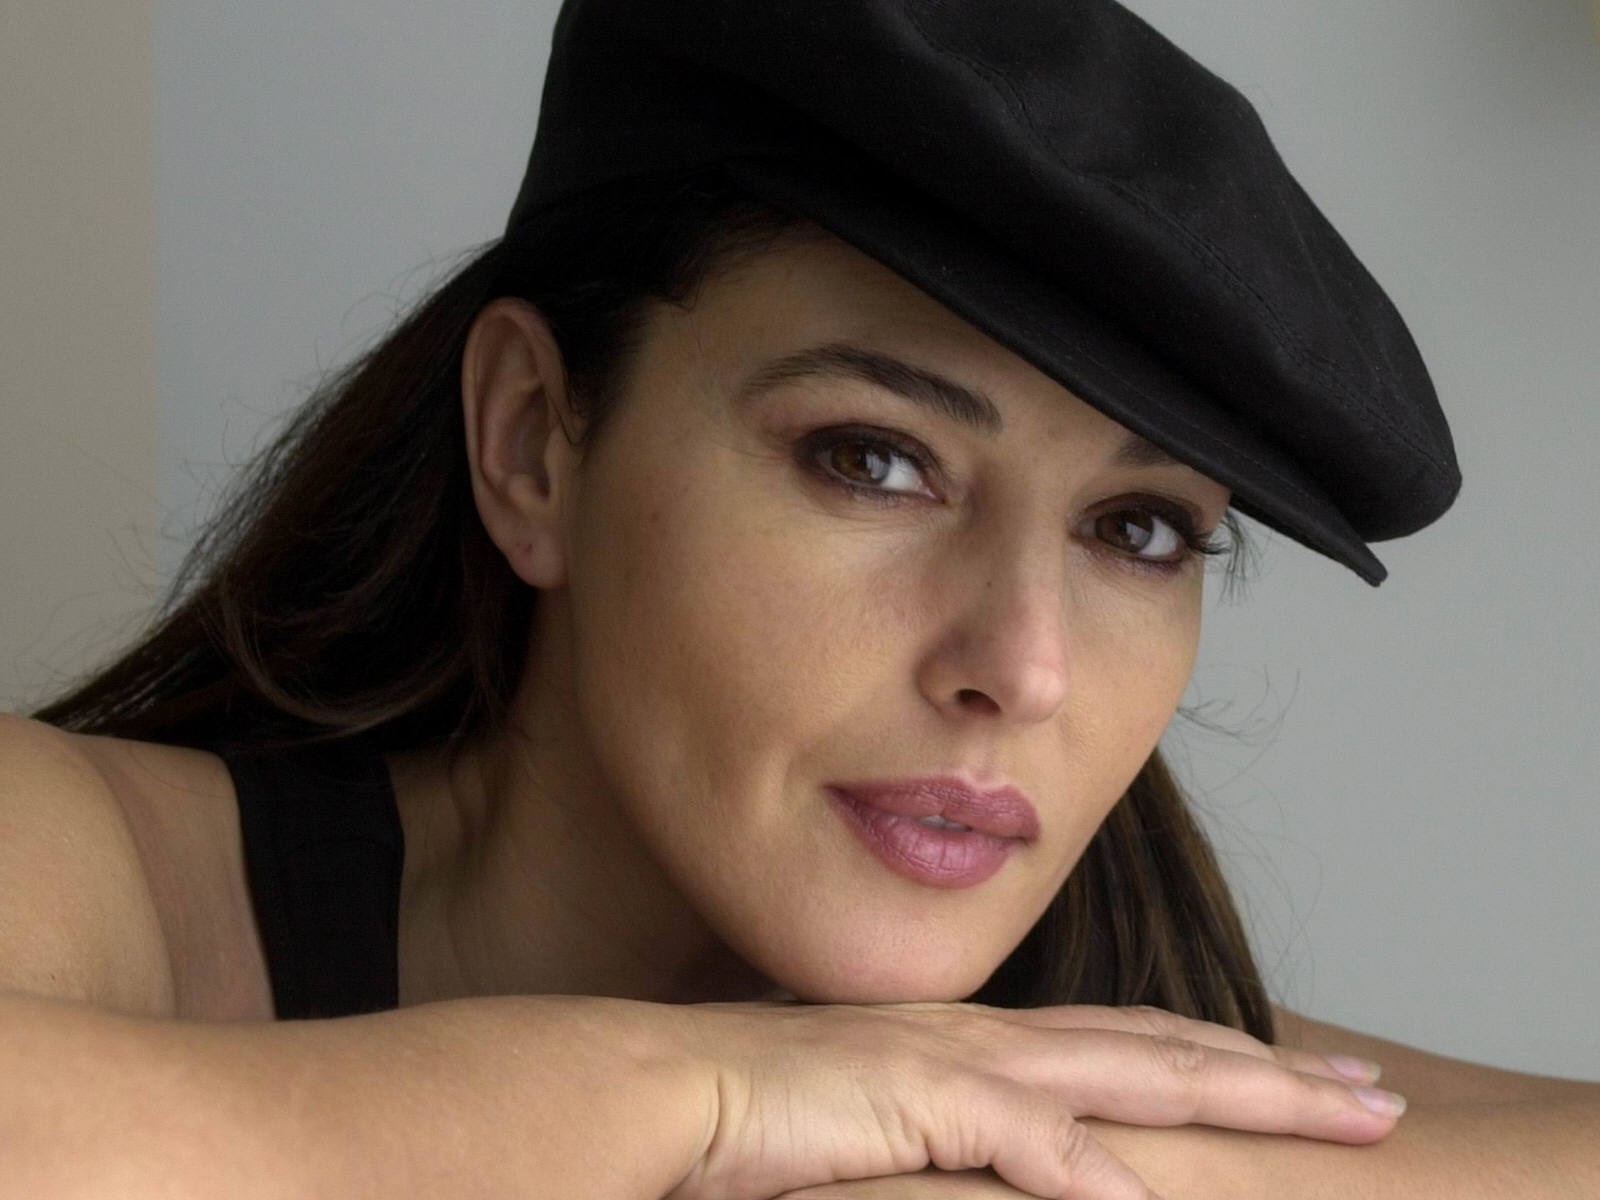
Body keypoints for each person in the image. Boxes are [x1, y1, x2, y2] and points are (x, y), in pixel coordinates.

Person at [3, 0, 1595, 1197]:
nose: (1022, 665)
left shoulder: (1089, 1055)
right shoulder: (96, 863)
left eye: (1140, 531)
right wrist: (716, 1101)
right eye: (874, 460)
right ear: (536, 443)